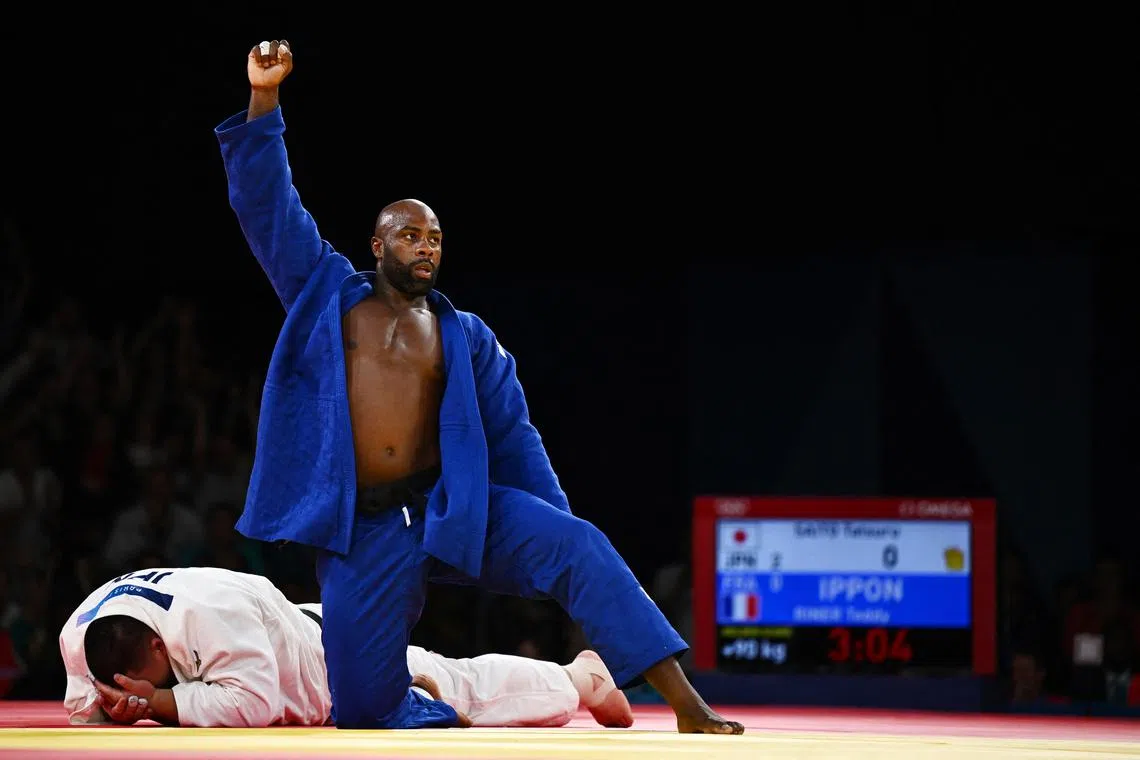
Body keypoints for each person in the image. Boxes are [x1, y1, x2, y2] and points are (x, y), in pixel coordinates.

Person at [213, 38, 744, 735]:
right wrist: (264, 98)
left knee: (579, 543)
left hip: (449, 509)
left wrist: (551, 536)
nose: (425, 246)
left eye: (434, 237)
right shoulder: (325, 296)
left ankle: (686, 704)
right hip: (363, 527)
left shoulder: (466, 338)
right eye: (410, 236)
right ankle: (448, 697)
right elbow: (267, 207)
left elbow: (517, 440)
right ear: (378, 246)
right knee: (364, 713)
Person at [59, 566, 634, 728]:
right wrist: (116, 707)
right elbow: (82, 706)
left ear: (160, 645)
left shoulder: (213, 616)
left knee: (456, 687)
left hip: (322, 652)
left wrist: (155, 705)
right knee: (445, 680)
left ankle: (579, 677)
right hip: (286, 634)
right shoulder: (81, 632)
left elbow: (253, 707)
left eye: (157, 677)